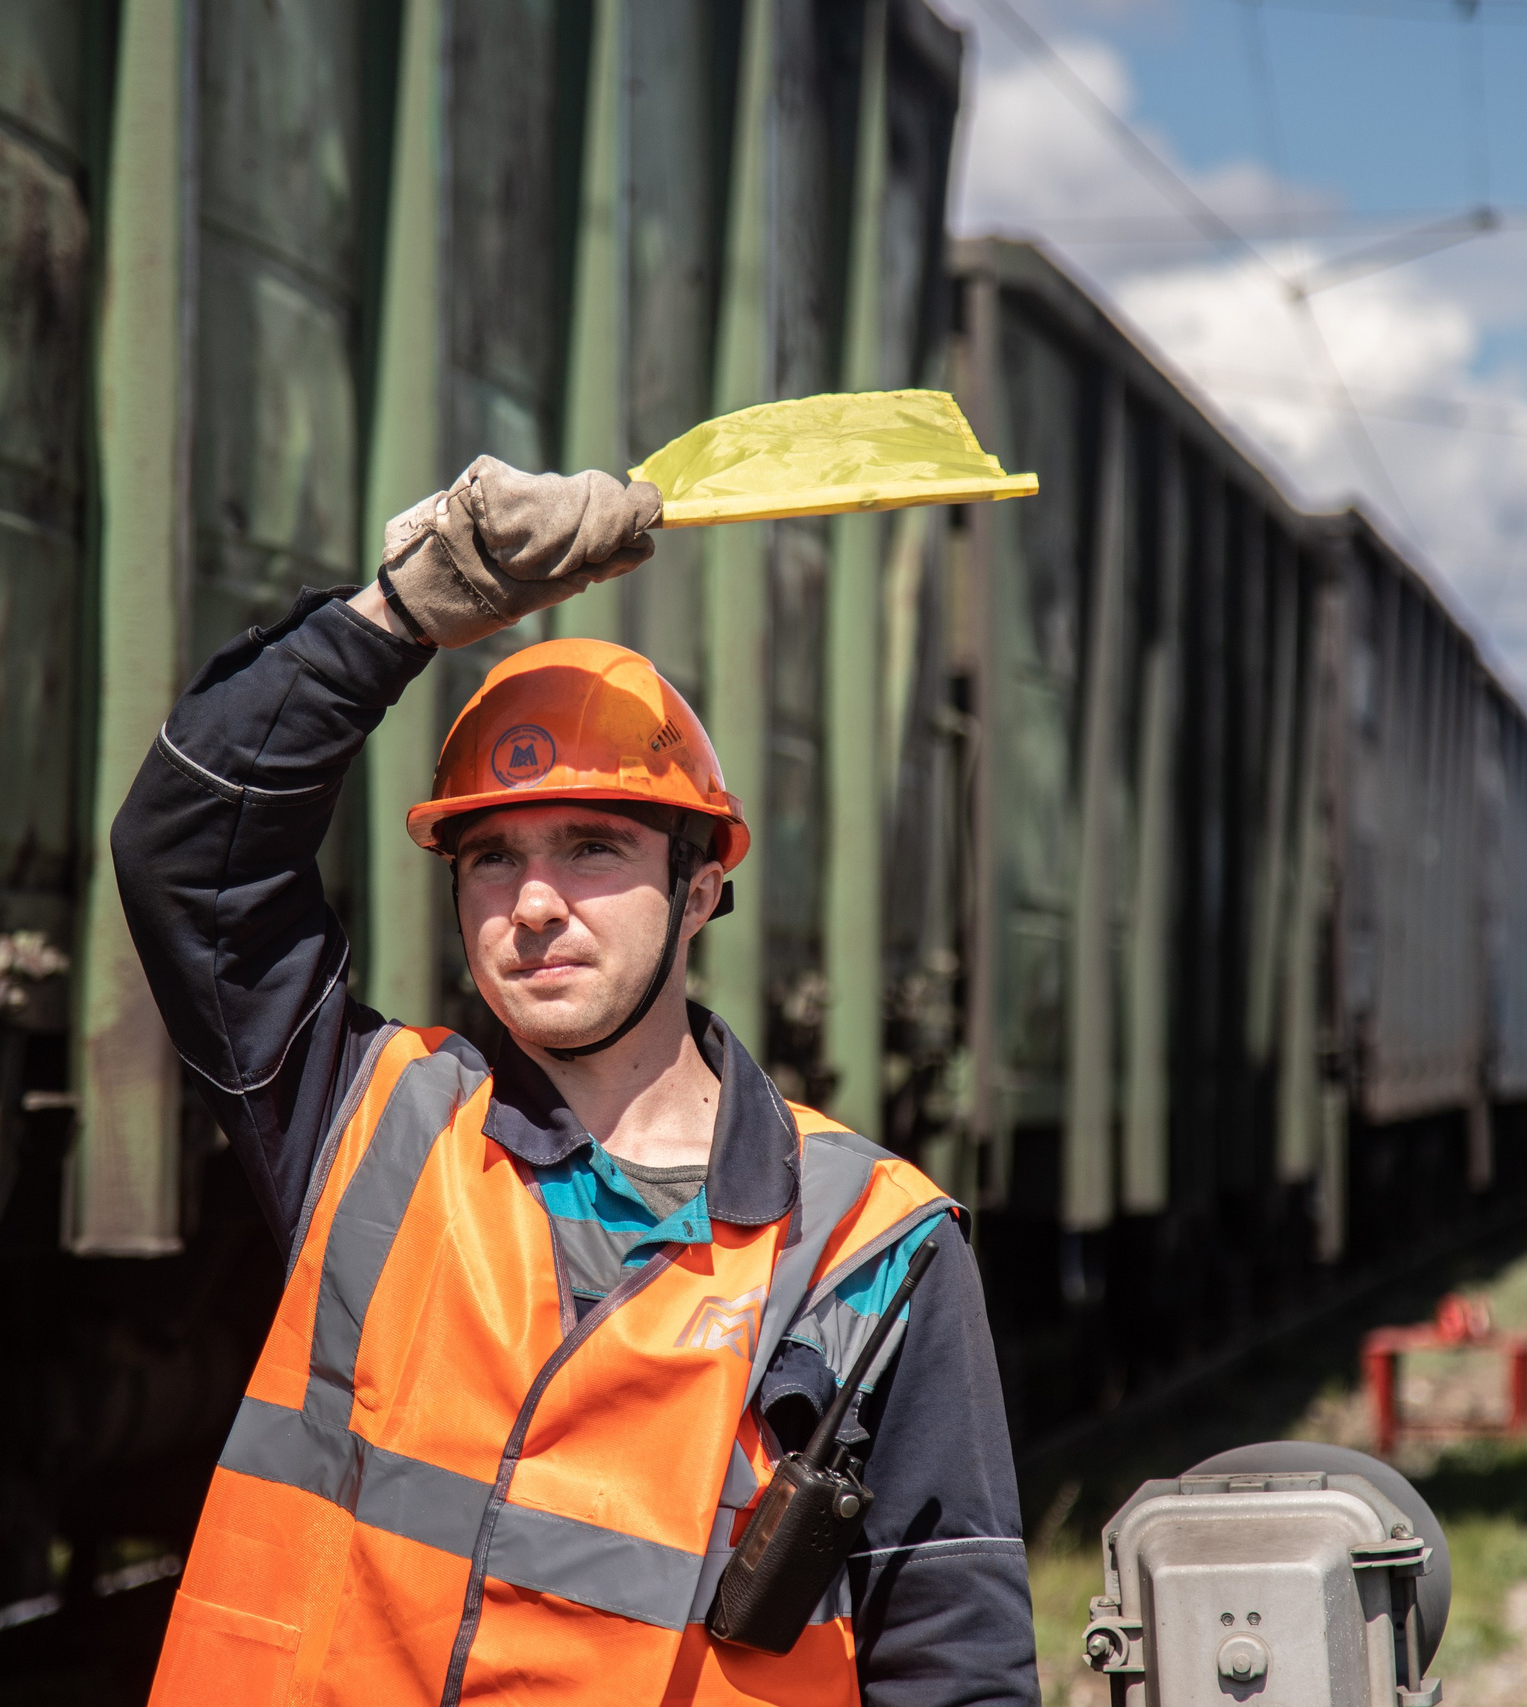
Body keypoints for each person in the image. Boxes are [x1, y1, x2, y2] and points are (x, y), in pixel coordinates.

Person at [114, 457, 1038, 1705]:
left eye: (593, 847)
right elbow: (187, 856)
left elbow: (954, 1658)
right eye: (492, 857)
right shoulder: (366, 1122)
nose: (535, 903)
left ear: (699, 886)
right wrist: (397, 614)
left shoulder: (868, 1249)